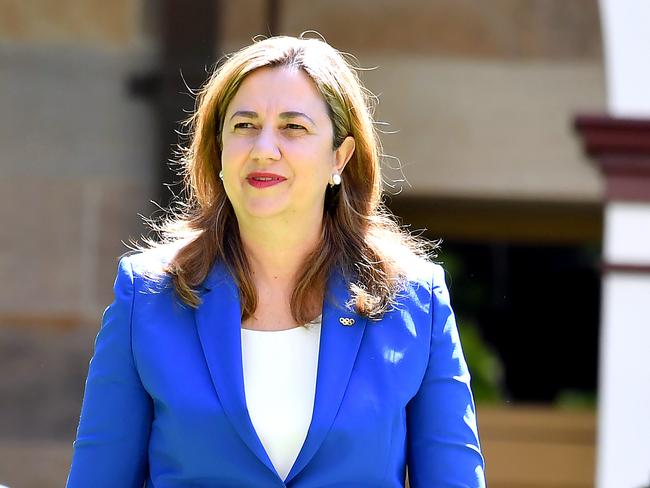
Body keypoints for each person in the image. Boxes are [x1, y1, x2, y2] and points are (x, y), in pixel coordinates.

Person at [66, 35, 485, 487]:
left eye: (293, 127)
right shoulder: (146, 297)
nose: (264, 147)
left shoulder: (415, 302)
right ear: (219, 151)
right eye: (244, 125)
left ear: (339, 158)